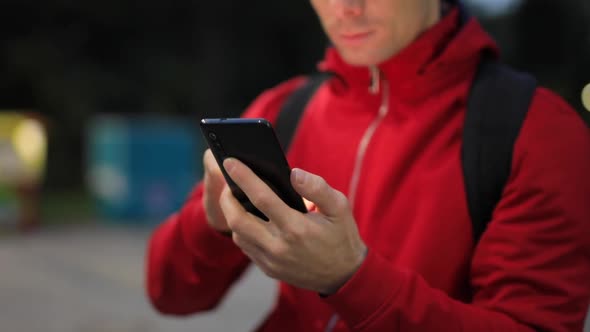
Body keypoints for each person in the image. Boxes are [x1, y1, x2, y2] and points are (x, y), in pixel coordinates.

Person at [145, 0, 590, 331]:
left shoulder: (540, 132)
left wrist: (351, 279)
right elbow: (170, 294)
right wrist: (211, 224)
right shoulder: (286, 108)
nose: (347, 9)